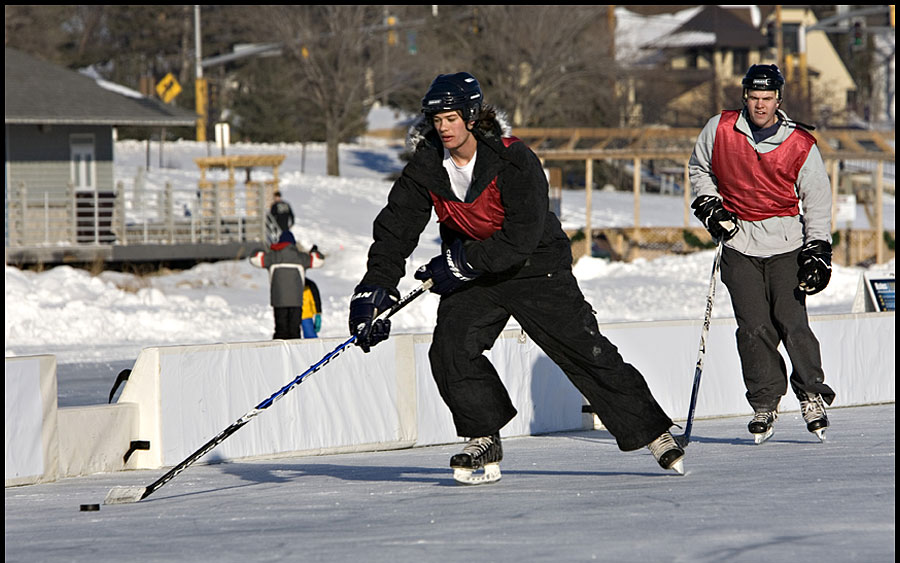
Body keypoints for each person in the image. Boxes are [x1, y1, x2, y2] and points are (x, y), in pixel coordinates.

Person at [348, 72, 685, 484]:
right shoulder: (426, 167)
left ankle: (653, 431)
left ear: (472, 117)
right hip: (474, 271)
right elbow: (395, 230)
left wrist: (458, 264)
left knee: (584, 349)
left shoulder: (513, 159)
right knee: (451, 347)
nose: (444, 128)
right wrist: (374, 289)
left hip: (535, 266)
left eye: (451, 118)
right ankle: (483, 437)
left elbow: (521, 236)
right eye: (436, 120)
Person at [688, 64, 836, 444]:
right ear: (745, 97)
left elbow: (817, 200)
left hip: (786, 244)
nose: (760, 105)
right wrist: (709, 205)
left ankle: (811, 393)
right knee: (753, 328)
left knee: (791, 321)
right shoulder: (720, 129)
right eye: (754, 97)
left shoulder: (800, 143)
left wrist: (818, 248)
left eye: (767, 98)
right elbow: (699, 169)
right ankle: (765, 401)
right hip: (740, 243)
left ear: (778, 100)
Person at [251, 231, 324, 340]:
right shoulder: (300, 258)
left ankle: (279, 349)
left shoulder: (272, 257)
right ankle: (294, 350)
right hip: (296, 301)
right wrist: (314, 252)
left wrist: (260, 249)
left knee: (281, 330)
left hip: (278, 301)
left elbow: (254, 259)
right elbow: (319, 260)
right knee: (294, 331)